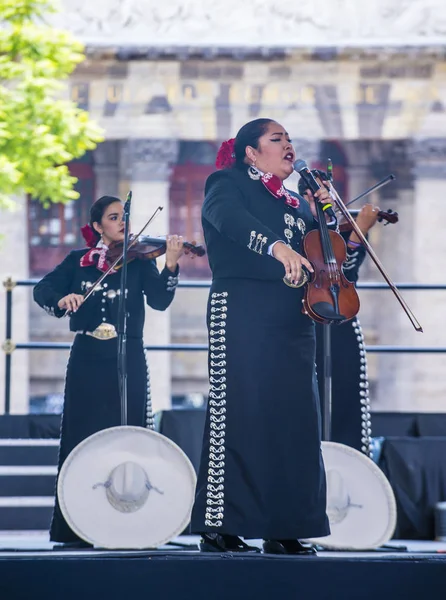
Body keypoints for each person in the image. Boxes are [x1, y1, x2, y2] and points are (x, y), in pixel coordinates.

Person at [191, 118, 333, 555]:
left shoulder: (294, 201)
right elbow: (227, 219)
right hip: (242, 308)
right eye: (277, 139)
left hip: (292, 316)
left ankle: (286, 526)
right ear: (251, 152)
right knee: (240, 411)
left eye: (290, 139)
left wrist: (324, 211)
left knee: (295, 419)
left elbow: (328, 254)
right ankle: (220, 525)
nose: (289, 145)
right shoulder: (227, 182)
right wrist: (277, 247)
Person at [33, 195, 184, 546]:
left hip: (128, 354)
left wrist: (172, 264)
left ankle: (129, 522)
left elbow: (160, 301)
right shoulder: (78, 262)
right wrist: (61, 300)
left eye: (125, 217)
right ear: (98, 226)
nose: (122, 223)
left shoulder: (140, 262)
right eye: (114, 217)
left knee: (130, 433)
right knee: (81, 436)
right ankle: (75, 527)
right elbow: (44, 289)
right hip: (87, 355)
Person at [298, 173, 379, 455]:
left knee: (347, 395)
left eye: (329, 193)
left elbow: (347, 275)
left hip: (341, 318)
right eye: (320, 193)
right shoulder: (297, 227)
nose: (327, 199)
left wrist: (358, 233)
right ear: (305, 197)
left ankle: (351, 463)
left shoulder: (337, 228)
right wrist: (359, 233)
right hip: (306, 321)